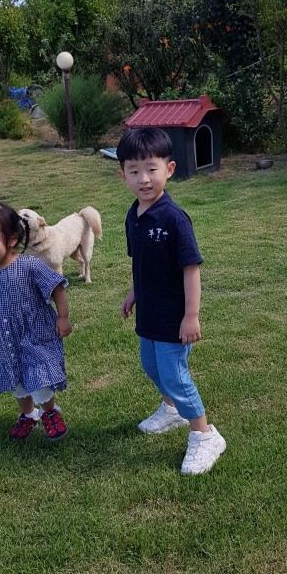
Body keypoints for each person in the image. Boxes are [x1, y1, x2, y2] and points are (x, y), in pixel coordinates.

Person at [117, 127, 226, 475]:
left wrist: (191, 315)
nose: (144, 178)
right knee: (152, 367)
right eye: (134, 171)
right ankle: (172, 410)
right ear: (123, 175)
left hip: (174, 317)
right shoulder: (134, 215)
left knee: (175, 376)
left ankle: (205, 435)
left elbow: (191, 269)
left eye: (152, 168)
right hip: (149, 313)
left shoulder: (174, 219)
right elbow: (141, 263)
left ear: (170, 169)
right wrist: (134, 292)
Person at [0, 197, 72, 442]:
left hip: (34, 335)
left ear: (11, 239)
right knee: (15, 380)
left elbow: (57, 287)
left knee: (39, 376)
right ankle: (28, 415)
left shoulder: (30, 266)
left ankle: (49, 412)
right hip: (2, 340)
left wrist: (63, 317)